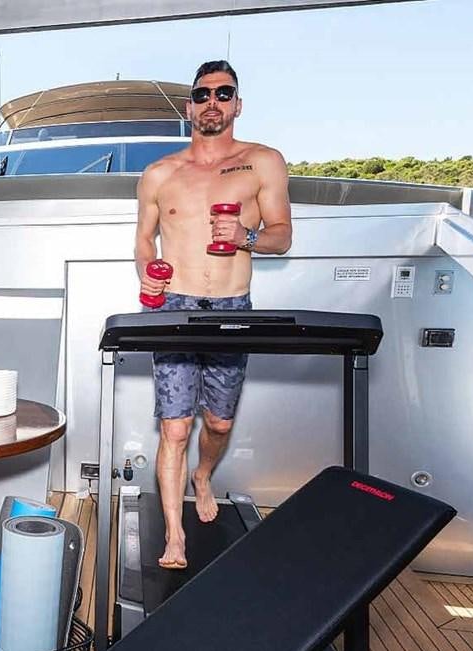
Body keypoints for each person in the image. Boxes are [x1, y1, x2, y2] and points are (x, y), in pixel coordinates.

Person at [134, 61, 293, 568]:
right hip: (174, 308)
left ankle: (204, 475)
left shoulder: (263, 162)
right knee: (174, 428)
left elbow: (282, 234)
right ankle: (175, 536)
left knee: (218, 424)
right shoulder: (160, 173)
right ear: (190, 106)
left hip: (231, 307)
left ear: (237, 105)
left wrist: (246, 237)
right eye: (202, 94)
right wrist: (148, 275)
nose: (212, 102)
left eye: (224, 94)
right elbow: (143, 241)